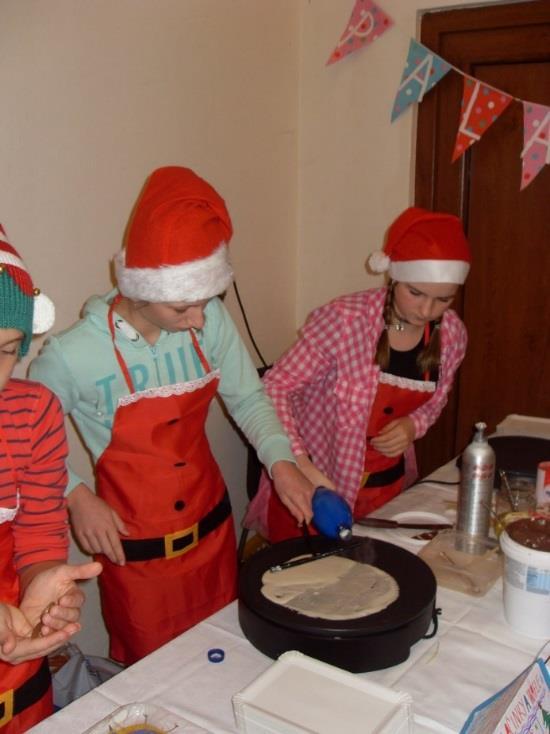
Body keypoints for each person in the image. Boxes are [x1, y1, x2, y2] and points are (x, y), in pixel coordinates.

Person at [29, 166, 314, 666]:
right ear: (140, 290)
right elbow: (22, 442)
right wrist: (76, 497)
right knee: (154, 676)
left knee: (226, 657)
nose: (200, 320)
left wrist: (282, 463)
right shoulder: (72, 356)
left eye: (207, 302)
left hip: (213, 538)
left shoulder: (211, 320)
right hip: (137, 557)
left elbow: (248, 399)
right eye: (184, 308)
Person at [244, 207, 471, 542]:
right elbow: (274, 388)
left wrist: (414, 425)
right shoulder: (343, 321)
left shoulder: (451, 334)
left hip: (386, 496)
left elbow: (437, 400)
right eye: (416, 293)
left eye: (443, 299)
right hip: (314, 496)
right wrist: (300, 464)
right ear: (392, 276)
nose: (427, 311)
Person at [0, 224, 101, 733]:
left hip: (21, 688)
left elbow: (37, 532)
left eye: (7, 350)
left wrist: (45, 586)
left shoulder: (32, 413)